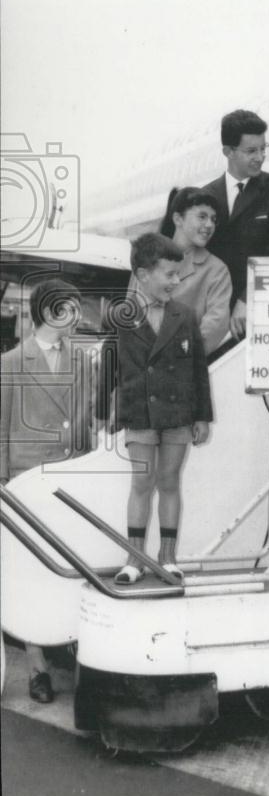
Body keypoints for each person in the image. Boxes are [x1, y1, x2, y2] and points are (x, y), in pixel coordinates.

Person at [1, 278, 93, 703]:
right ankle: (37, 667)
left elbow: (87, 425)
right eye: (70, 307)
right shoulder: (11, 363)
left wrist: (88, 469)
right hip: (23, 481)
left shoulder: (84, 362)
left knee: (66, 567)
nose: (76, 314)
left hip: (68, 481)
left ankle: (65, 650)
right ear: (49, 311)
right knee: (27, 572)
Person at [112, 233, 212, 585]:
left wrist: (202, 416)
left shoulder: (184, 315)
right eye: (169, 274)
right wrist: (101, 414)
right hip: (139, 413)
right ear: (142, 274)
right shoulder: (121, 315)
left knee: (170, 481)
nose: (176, 280)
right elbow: (109, 368)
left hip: (177, 415)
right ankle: (134, 558)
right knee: (141, 481)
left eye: (178, 274)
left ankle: (167, 557)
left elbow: (198, 370)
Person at [202, 110, 269, 339]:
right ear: (228, 152)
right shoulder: (205, 196)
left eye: (263, 148)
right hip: (210, 315)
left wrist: (247, 299)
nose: (260, 157)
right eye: (251, 151)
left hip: (258, 315)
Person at [129, 186, 233, 355]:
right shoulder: (146, 258)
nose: (209, 225)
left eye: (213, 219)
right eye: (202, 217)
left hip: (181, 369)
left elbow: (215, 326)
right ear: (178, 219)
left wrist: (173, 358)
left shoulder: (217, 271)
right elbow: (130, 315)